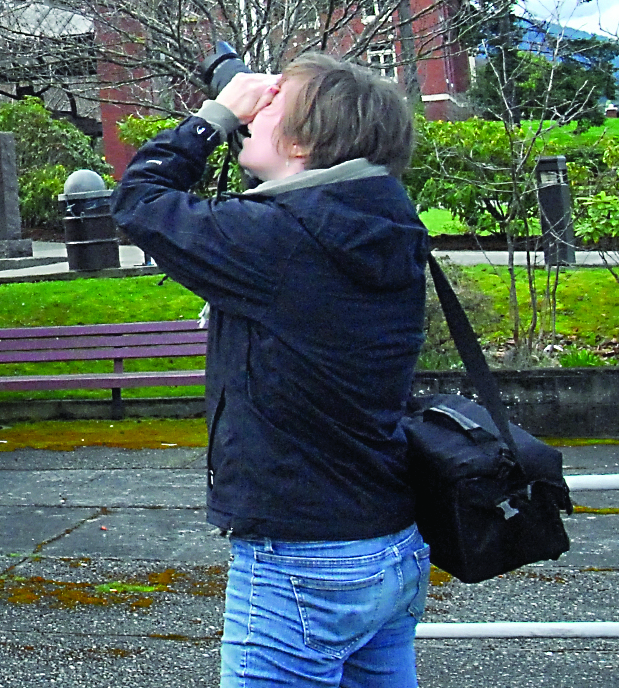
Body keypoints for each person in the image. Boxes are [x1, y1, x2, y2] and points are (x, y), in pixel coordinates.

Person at [112, 52, 430, 687]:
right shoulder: (384, 218)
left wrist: (213, 117)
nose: (253, 108)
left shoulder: (279, 241)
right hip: (388, 541)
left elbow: (141, 201)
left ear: (306, 140)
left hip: (303, 557)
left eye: (273, 100)